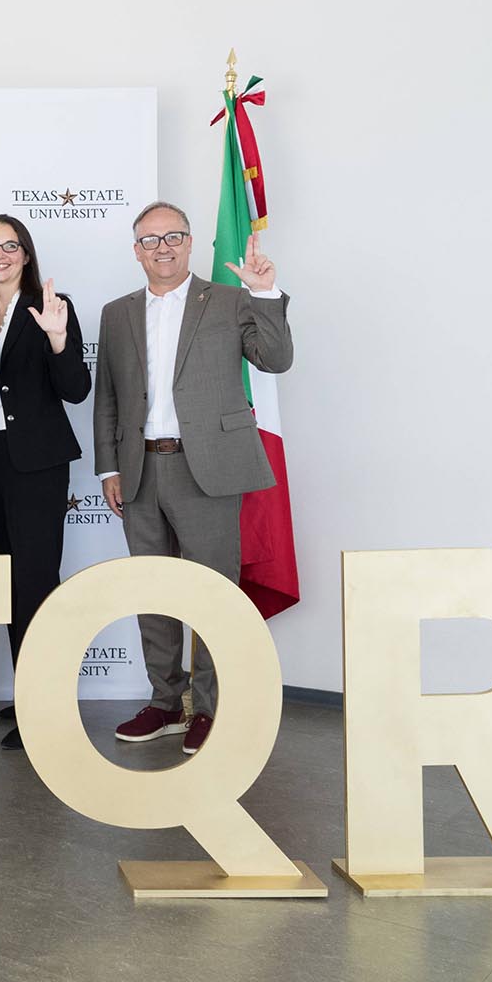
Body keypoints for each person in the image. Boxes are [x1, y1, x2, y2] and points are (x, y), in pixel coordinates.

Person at [94, 201, 293, 756]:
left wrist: (265, 294)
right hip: (138, 470)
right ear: (136, 250)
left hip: (208, 467)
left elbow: (275, 360)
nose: (162, 247)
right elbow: (108, 394)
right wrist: (109, 465)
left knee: (210, 594)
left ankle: (209, 708)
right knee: (153, 593)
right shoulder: (117, 313)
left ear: (188, 241)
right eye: (150, 239)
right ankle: (165, 702)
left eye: (173, 236)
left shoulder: (229, 300)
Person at [0, 215, 90, 752]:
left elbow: (77, 389)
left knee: (38, 580)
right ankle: (29, 690)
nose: (0, 255)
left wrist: (60, 340)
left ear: (25, 253)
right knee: (10, 583)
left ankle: (49, 705)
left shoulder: (51, 310)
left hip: (36, 462)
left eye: (10, 246)